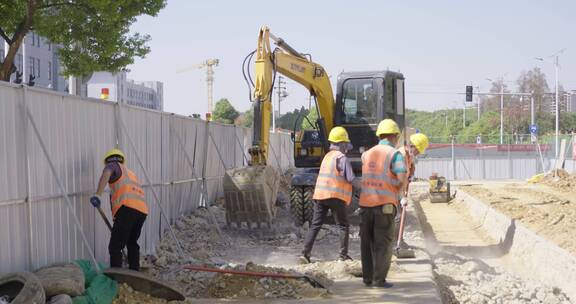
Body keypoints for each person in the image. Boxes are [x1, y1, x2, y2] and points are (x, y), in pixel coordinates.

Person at [359, 119, 408, 288]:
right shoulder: (394, 154)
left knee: (367, 243)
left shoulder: (366, 154)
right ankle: (379, 280)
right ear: (395, 136)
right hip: (385, 206)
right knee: (384, 243)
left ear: (379, 135)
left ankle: (367, 278)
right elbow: (402, 178)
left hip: (365, 205)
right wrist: (396, 190)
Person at [300, 126, 355, 264]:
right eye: (346, 145)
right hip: (335, 195)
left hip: (320, 196)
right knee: (343, 225)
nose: (347, 148)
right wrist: (366, 187)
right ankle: (343, 256)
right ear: (342, 144)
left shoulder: (327, 157)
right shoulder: (341, 158)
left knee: (315, 225)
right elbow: (351, 179)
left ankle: (304, 254)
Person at [90, 149, 148, 270]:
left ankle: (116, 279)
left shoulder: (112, 165)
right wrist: (116, 219)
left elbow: (106, 173)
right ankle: (134, 272)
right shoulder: (130, 173)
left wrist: (97, 194)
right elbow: (118, 198)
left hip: (127, 209)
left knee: (115, 246)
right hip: (141, 211)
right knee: (132, 243)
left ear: (108, 160)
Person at [395, 133, 429, 247]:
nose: (418, 153)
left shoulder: (409, 155)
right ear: (412, 146)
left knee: (398, 217)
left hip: (398, 189)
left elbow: (410, 167)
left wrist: (412, 172)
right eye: (418, 151)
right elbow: (399, 177)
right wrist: (402, 196)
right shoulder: (401, 154)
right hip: (394, 190)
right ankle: (396, 242)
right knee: (397, 217)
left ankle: (398, 241)